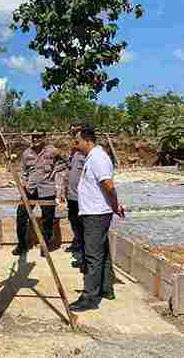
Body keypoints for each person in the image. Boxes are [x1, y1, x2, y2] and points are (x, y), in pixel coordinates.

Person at [69, 126, 124, 312]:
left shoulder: (98, 158)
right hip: (94, 212)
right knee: (102, 252)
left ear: (87, 141)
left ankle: (89, 298)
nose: (76, 145)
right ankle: (106, 289)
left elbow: (108, 185)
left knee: (92, 256)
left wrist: (115, 205)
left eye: (77, 142)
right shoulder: (92, 157)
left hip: (96, 214)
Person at [13, 131, 64, 257]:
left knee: (48, 219)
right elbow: (24, 171)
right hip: (29, 190)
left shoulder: (53, 151)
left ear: (44, 137)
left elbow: (65, 162)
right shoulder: (26, 153)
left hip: (47, 190)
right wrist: (23, 183)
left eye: (38, 136)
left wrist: (56, 171)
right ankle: (22, 244)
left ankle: (45, 246)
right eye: (33, 136)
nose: (35, 139)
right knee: (21, 216)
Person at [64, 126, 86, 266]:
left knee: (83, 228)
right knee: (74, 222)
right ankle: (78, 244)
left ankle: (84, 259)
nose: (72, 138)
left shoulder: (86, 154)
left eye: (75, 135)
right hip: (72, 197)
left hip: (81, 198)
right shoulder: (74, 153)